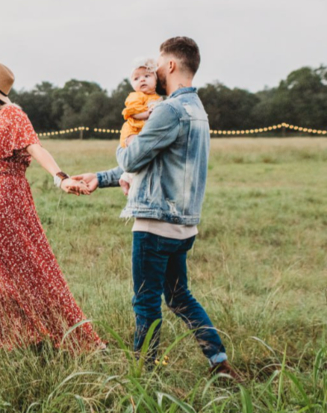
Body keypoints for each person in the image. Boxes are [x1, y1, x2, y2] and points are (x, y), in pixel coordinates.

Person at [72, 37, 241, 379]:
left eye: (159, 65)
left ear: (173, 66)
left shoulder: (168, 109)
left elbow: (133, 157)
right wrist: (101, 178)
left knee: (145, 302)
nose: (155, 71)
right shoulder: (198, 111)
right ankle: (218, 362)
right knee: (179, 298)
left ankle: (143, 375)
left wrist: (127, 143)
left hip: (154, 225)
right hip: (184, 226)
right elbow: (154, 164)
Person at [0, 60, 103, 350]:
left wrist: (61, 178)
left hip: (5, 199)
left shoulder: (13, 114)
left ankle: (45, 334)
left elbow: (35, 147)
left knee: (27, 266)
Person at [118, 58, 162, 198]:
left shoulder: (157, 98)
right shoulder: (135, 96)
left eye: (147, 76)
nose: (142, 80)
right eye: (137, 78)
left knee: (144, 156)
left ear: (156, 80)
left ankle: (125, 177)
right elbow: (131, 112)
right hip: (133, 130)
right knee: (137, 151)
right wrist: (146, 114)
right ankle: (129, 179)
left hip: (144, 131)